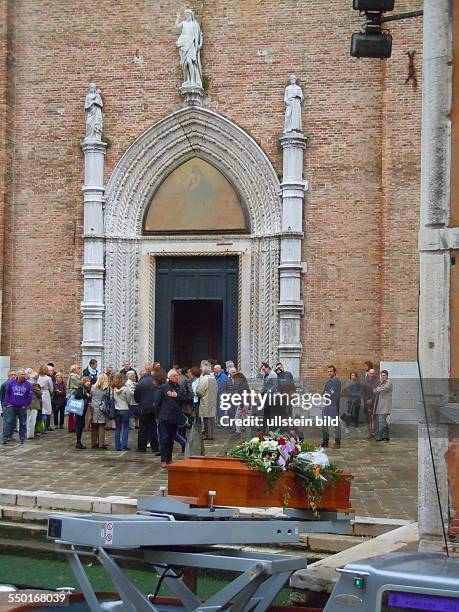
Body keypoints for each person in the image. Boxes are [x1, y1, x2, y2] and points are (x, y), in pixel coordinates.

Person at [157, 369, 189, 467]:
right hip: (165, 417)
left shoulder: (180, 388)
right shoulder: (164, 387)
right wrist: (157, 417)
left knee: (171, 439)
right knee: (164, 438)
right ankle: (164, 459)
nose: (176, 377)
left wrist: (176, 396)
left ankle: (169, 459)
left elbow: (186, 400)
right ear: (169, 377)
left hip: (175, 417)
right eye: (174, 376)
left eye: (177, 375)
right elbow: (158, 402)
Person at [2, 369, 32, 445]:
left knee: (23, 423)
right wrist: (8, 403)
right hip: (11, 406)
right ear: (18, 375)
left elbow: (29, 396)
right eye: (22, 374)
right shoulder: (11, 383)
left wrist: (25, 405)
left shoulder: (27, 384)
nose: (24, 376)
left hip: (21, 407)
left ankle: (22, 438)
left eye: (24, 374)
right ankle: (5, 438)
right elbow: (7, 394)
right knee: (8, 422)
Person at [134, 368, 160, 454]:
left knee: (143, 428)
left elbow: (136, 397)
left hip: (143, 408)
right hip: (154, 407)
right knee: (153, 427)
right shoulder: (155, 381)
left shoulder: (140, 383)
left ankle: (142, 447)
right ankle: (155, 447)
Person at [175, 9, 203, 86]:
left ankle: (192, 80)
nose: (187, 16)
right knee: (184, 64)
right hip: (184, 44)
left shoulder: (195, 24)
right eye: (186, 15)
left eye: (188, 14)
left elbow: (198, 35)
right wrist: (178, 18)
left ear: (191, 15)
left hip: (191, 45)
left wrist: (198, 45)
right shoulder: (184, 23)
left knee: (190, 62)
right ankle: (187, 79)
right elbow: (177, 26)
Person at [321, 365, 342, 449]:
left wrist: (327, 393)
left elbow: (331, 393)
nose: (329, 373)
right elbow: (323, 394)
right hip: (327, 405)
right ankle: (325, 441)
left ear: (335, 372)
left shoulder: (337, 381)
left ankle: (337, 442)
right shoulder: (328, 382)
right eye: (328, 371)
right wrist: (327, 393)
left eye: (331, 371)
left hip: (334, 405)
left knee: (336, 424)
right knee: (324, 423)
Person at [196, 361, 218, 440]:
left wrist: (196, 392)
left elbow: (200, 391)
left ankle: (207, 434)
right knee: (211, 419)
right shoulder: (213, 378)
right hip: (212, 401)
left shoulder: (204, 379)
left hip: (205, 401)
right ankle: (210, 434)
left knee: (206, 419)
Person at [111, 373, 132, 451]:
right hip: (125, 409)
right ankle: (124, 445)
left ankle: (117, 446)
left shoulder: (113, 389)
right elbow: (129, 399)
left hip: (117, 410)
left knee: (118, 428)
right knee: (126, 427)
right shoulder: (126, 389)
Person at [90, 373, 110, 449]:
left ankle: (93, 443)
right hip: (102, 408)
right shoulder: (106, 388)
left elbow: (91, 395)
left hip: (94, 407)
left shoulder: (93, 387)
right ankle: (101, 443)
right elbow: (109, 398)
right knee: (101, 425)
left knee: (94, 426)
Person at [374, 370, 393, 442]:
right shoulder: (381, 383)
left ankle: (379, 436)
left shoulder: (389, 383)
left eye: (384, 375)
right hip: (380, 405)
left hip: (385, 405)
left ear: (387, 376)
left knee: (381, 420)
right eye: (381, 375)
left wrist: (376, 389)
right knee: (383, 420)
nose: (382, 377)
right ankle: (386, 435)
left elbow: (383, 389)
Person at [74, 376, 91, 449]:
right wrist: (86, 395)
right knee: (80, 426)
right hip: (79, 410)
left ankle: (79, 442)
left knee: (80, 426)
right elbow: (77, 395)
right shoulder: (81, 388)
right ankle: (78, 443)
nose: (89, 383)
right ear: (84, 382)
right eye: (87, 381)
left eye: (89, 381)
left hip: (82, 410)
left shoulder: (86, 389)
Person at [260, 362, 278, 428]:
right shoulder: (265, 375)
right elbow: (264, 386)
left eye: (264, 369)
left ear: (268, 368)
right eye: (262, 369)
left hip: (271, 397)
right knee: (266, 412)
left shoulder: (273, 374)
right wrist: (260, 393)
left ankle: (270, 427)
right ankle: (264, 427)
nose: (263, 371)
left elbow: (275, 386)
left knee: (270, 412)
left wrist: (268, 392)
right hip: (266, 397)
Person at [362, 368, 379, 439]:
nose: (372, 375)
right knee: (368, 418)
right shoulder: (365, 381)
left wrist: (371, 399)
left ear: (375, 374)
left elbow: (377, 392)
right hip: (366, 402)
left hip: (375, 402)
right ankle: (369, 432)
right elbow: (363, 391)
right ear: (368, 373)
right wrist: (366, 400)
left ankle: (375, 432)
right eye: (370, 373)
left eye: (373, 373)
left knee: (375, 417)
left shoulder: (377, 381)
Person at [37, 364, 54, 432]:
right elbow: (51, 389)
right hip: (46, 394)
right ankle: (43, 429)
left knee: (40, 411)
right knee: (45, 412)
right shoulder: (48, 378)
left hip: (38, 393)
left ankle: (39, 428)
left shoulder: (37, 377)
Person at [26, 370, 42, 439]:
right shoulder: (34, 384)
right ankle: (30, 435)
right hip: (33, 403)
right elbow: (40, 393)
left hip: (27, 403)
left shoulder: (27, 382)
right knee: (32, 420)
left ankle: (27, 433)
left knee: (27, 419)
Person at [66, 364, 82, 433]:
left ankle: (72, 426)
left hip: (73, 393)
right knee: (74, 411)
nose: (79, 370)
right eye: (78, 369)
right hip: (74, 394)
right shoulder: (73, 377)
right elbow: (79, 384)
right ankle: (73, 426)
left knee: (73, 412)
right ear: (74, 370)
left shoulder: (73, 376)